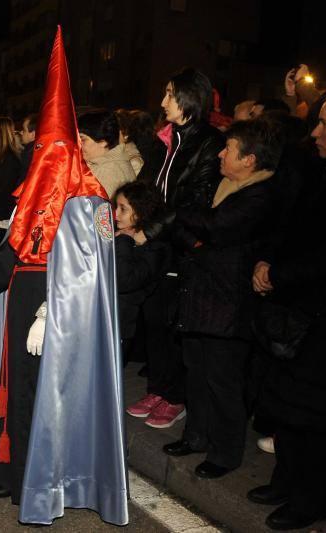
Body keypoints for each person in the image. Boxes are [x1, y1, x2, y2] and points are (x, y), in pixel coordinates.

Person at [0, 27, 128, 526]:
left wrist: (52, 312)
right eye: (41, 151)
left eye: (54, 151)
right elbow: (13, 251)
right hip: (18, 303)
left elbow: (90, 274)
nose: (44, 159)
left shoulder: (91, 202)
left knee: (50, 398)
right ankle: (13, 474)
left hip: (59, 316)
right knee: (17, 392)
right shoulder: (32, 195)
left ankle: (48, 480)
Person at [247, 86, 326, 531]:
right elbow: (290, 225)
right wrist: (267, 262)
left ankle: (311, 501)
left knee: (320, 417)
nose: (316, 132)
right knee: (287, 406)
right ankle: (285, 482)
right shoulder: (324, 170)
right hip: (299, 312)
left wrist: (281, 274)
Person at [161, 118, 283, 479]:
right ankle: (196, 435)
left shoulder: (260, 195)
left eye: (228, 148)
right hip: (202, 293)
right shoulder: (223, 186)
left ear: (249, 159)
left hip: (228, 302)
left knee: (222, 379)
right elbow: (195, 232)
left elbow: (216, 228)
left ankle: (226, 452)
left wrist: (185, 219)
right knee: (195, 370)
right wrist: (195, 235)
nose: (220, 153)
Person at [131, 68, 225, 430]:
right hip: (154, 242)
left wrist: (150, 230)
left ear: (188, 98)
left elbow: (194, 204)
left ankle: (176, 396)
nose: (162, 101)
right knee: (154, 319)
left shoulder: (209, 143)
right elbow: (148, 188)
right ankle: (158, 387)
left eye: (169, 94)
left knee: (174, 323)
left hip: (183, 247)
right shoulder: (164, 140)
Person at [113, 180, 170, 349]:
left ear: (140, 211)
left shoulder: (155, 248)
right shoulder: (116, 236)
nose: (116, 214)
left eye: (123, 209)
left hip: (120, 325)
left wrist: (124, 240)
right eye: (116, 207)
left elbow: (125, 281)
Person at [77, 110, 136, 198]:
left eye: (83, 140)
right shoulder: (105, 164)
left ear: (103, 141)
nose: (78, 144)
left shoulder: (109, 171)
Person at [18, 113, 37, 180]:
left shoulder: (29, 156)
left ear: (33, 134)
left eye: (24, 130)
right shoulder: (31, 152)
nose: (21, 132)